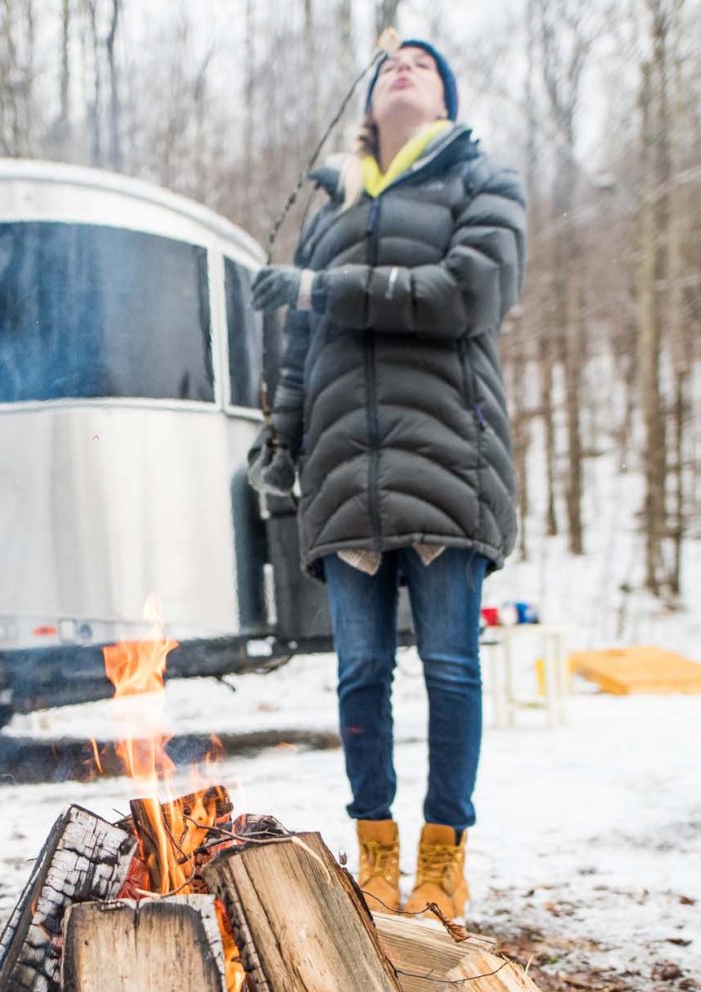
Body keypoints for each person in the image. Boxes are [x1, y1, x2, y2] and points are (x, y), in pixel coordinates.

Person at [249, 39, 526, 921]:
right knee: (360, 673)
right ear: (368, 105)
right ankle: (376, 852)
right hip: (343, 470)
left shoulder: (482, 181)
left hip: (449, 458)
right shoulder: (329, 210)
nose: (402, 66)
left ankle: (443, 862)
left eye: (423, 63)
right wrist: (282, 433)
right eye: (388, 65)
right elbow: (301, 347)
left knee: (450, 668)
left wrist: (322, 286)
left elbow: (467, 292)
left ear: (446, 102)